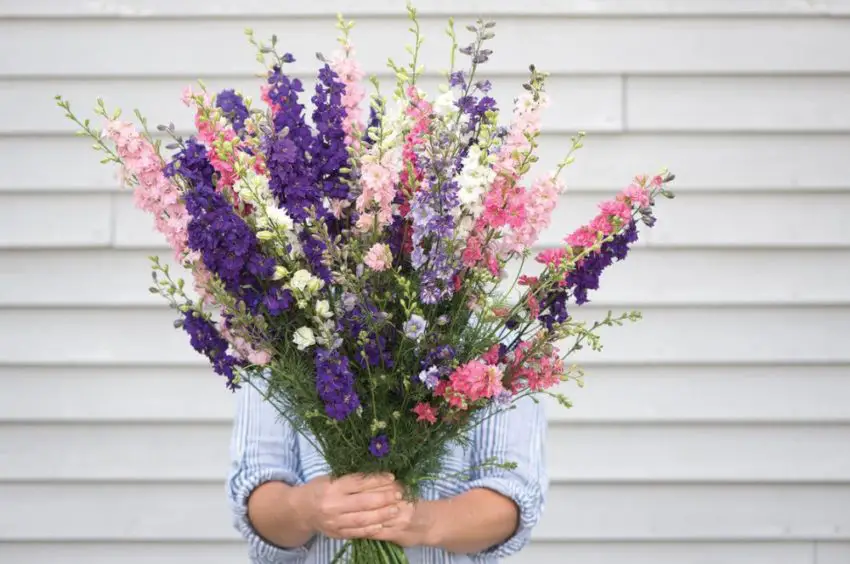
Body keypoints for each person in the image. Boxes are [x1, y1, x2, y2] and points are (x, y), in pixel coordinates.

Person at [226, 379, 548, 563]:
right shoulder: (273, 335)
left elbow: (513, 500)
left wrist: (424, 521)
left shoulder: (501, 346)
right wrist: (308, 509)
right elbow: (255, 493)